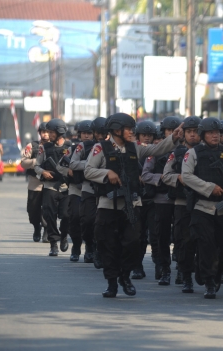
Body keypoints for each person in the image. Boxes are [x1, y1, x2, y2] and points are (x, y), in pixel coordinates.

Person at [84, 113, 183, 298]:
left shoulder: (135, 148)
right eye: (129, 129)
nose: (132, 132)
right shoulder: (100, 148)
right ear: (116, 130)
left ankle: (125, 276)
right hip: (108, 205)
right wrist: (107, 173)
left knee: (132, 243)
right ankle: (112, 282)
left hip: (131, 204)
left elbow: (156, 149)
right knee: (108, 245)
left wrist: (174, 138)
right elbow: (89, 171)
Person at [181, 117, 223, 299]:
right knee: (206, 245)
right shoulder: (193, 153)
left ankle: (218, 274)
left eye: (217, 133)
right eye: (210, 133)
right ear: (203, 135)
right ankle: (209, 281)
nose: (215, 136)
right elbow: (186, 176)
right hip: (203, 207)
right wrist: (210, 188)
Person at [161, 116, 202, 293]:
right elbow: (165, 175)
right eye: (189, 132)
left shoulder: (208, 153)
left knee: (205, 241)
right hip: (182, 202)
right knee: (183, 241)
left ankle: (203, 273)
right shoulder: (176, 153)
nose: (193, 135)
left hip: (203, 202)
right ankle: (186, 276)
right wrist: (178, 178)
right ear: (183, 134)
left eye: (196, 132)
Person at [140, 116, 181, 285]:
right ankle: (164, 269)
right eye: (168, 131)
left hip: (181, 199)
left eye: (175, 130)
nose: (172, 134)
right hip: (161, 199)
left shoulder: (189, 150)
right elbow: (145, 175)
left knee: (182, 237)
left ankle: (182, 270)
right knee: (161, 236)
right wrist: (164, 178)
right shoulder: (157, 150)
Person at [34, 119, 71, 257]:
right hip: (50, 187)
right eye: (47, 132)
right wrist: (43, 172)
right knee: (49, 216)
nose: (48, 134)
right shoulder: (44, 148)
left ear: (59, 132)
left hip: (65, 187)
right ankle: (53, 243)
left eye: (51, 132)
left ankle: (64, 235)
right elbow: (37, 166)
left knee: (67, 215)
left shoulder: (70, 147)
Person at [76, 117, 108, 267]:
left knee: (103, 224)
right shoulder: (87, 147)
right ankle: (89, 245)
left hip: (106, 189)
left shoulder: (111, 146)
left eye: (103, 133)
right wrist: (90, 165)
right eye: (98, 133)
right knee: (87, 221)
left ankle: (100, 251)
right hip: (89, 187)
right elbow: (73, 164)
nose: (100, 136)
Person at [131, 120, 159, 280]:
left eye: (149, 135)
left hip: (153, 199)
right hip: (136, 199)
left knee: (155, 234)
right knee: (138, 235)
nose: (147, 138)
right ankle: (137, 266)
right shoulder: (131, 151)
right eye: (144, 135)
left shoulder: (156, 151)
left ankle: (159, 265)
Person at [65, 120, 94, 262]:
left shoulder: (97, 148)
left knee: (89, 221)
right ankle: (76, 247)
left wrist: (83, 166)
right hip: (76, 189)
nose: (87, 136)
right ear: (79, 134)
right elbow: (61, 166)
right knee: (75, 218)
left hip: (91, 188)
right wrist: (68, 171)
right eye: (84, 133)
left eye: (89, 133)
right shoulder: (73, 148)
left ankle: (90, 248)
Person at [21, 123, 49, 242]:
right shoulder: (32, 146)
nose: (45, 134)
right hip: (35, 183)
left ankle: (47, 230)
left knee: (48, 209)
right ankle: (36, 227)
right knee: (32, 210)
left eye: (48, 132)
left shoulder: (55, 146)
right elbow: (23, 162)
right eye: (43, 132)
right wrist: (35, 162)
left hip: (50, 183)